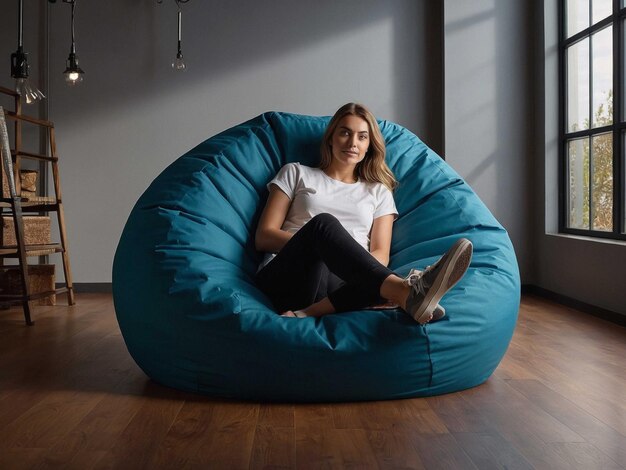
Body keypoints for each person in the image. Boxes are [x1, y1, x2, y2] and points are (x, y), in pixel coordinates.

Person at [254, 103, 472, 323]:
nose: (352, 143)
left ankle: (309, 313)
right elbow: (264, 236)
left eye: (362, 137)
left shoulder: (378, 191)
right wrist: (321, 246)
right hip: (288, 277)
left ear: (369, 146)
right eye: (345, 133)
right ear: (331, 138)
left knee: (372, 277)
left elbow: (380, 255)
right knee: (323, 226)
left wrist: (345, 261)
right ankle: (405, 293)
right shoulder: (296, 172)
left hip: (341, 285)